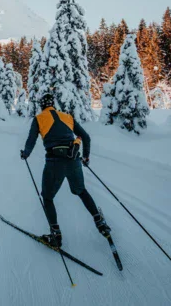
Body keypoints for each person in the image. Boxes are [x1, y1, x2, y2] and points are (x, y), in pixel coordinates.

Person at [20, 93, 110, 248]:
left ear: (42, 105)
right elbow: (86, 137)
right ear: (53, 104)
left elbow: (31, 140)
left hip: (54, 162)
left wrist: (26, 153)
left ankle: (56, 235)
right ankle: (100, 223)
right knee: (81, 191)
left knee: (47, 198)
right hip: (73, 159)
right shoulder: (66, 116)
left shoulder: (39, 118)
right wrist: (86, 157)